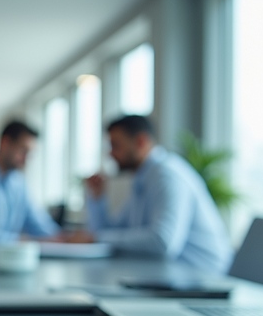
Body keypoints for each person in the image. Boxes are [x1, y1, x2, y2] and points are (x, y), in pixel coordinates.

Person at [83, 115, 233, 273]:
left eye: (115, 145)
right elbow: (113, 231)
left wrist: (95, 238)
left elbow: (162, 242)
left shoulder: (167, 176)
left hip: (203, 278)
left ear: (140, 141)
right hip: (170, 274)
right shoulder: (144, 179)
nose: (110, 154)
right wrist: (97, 199)